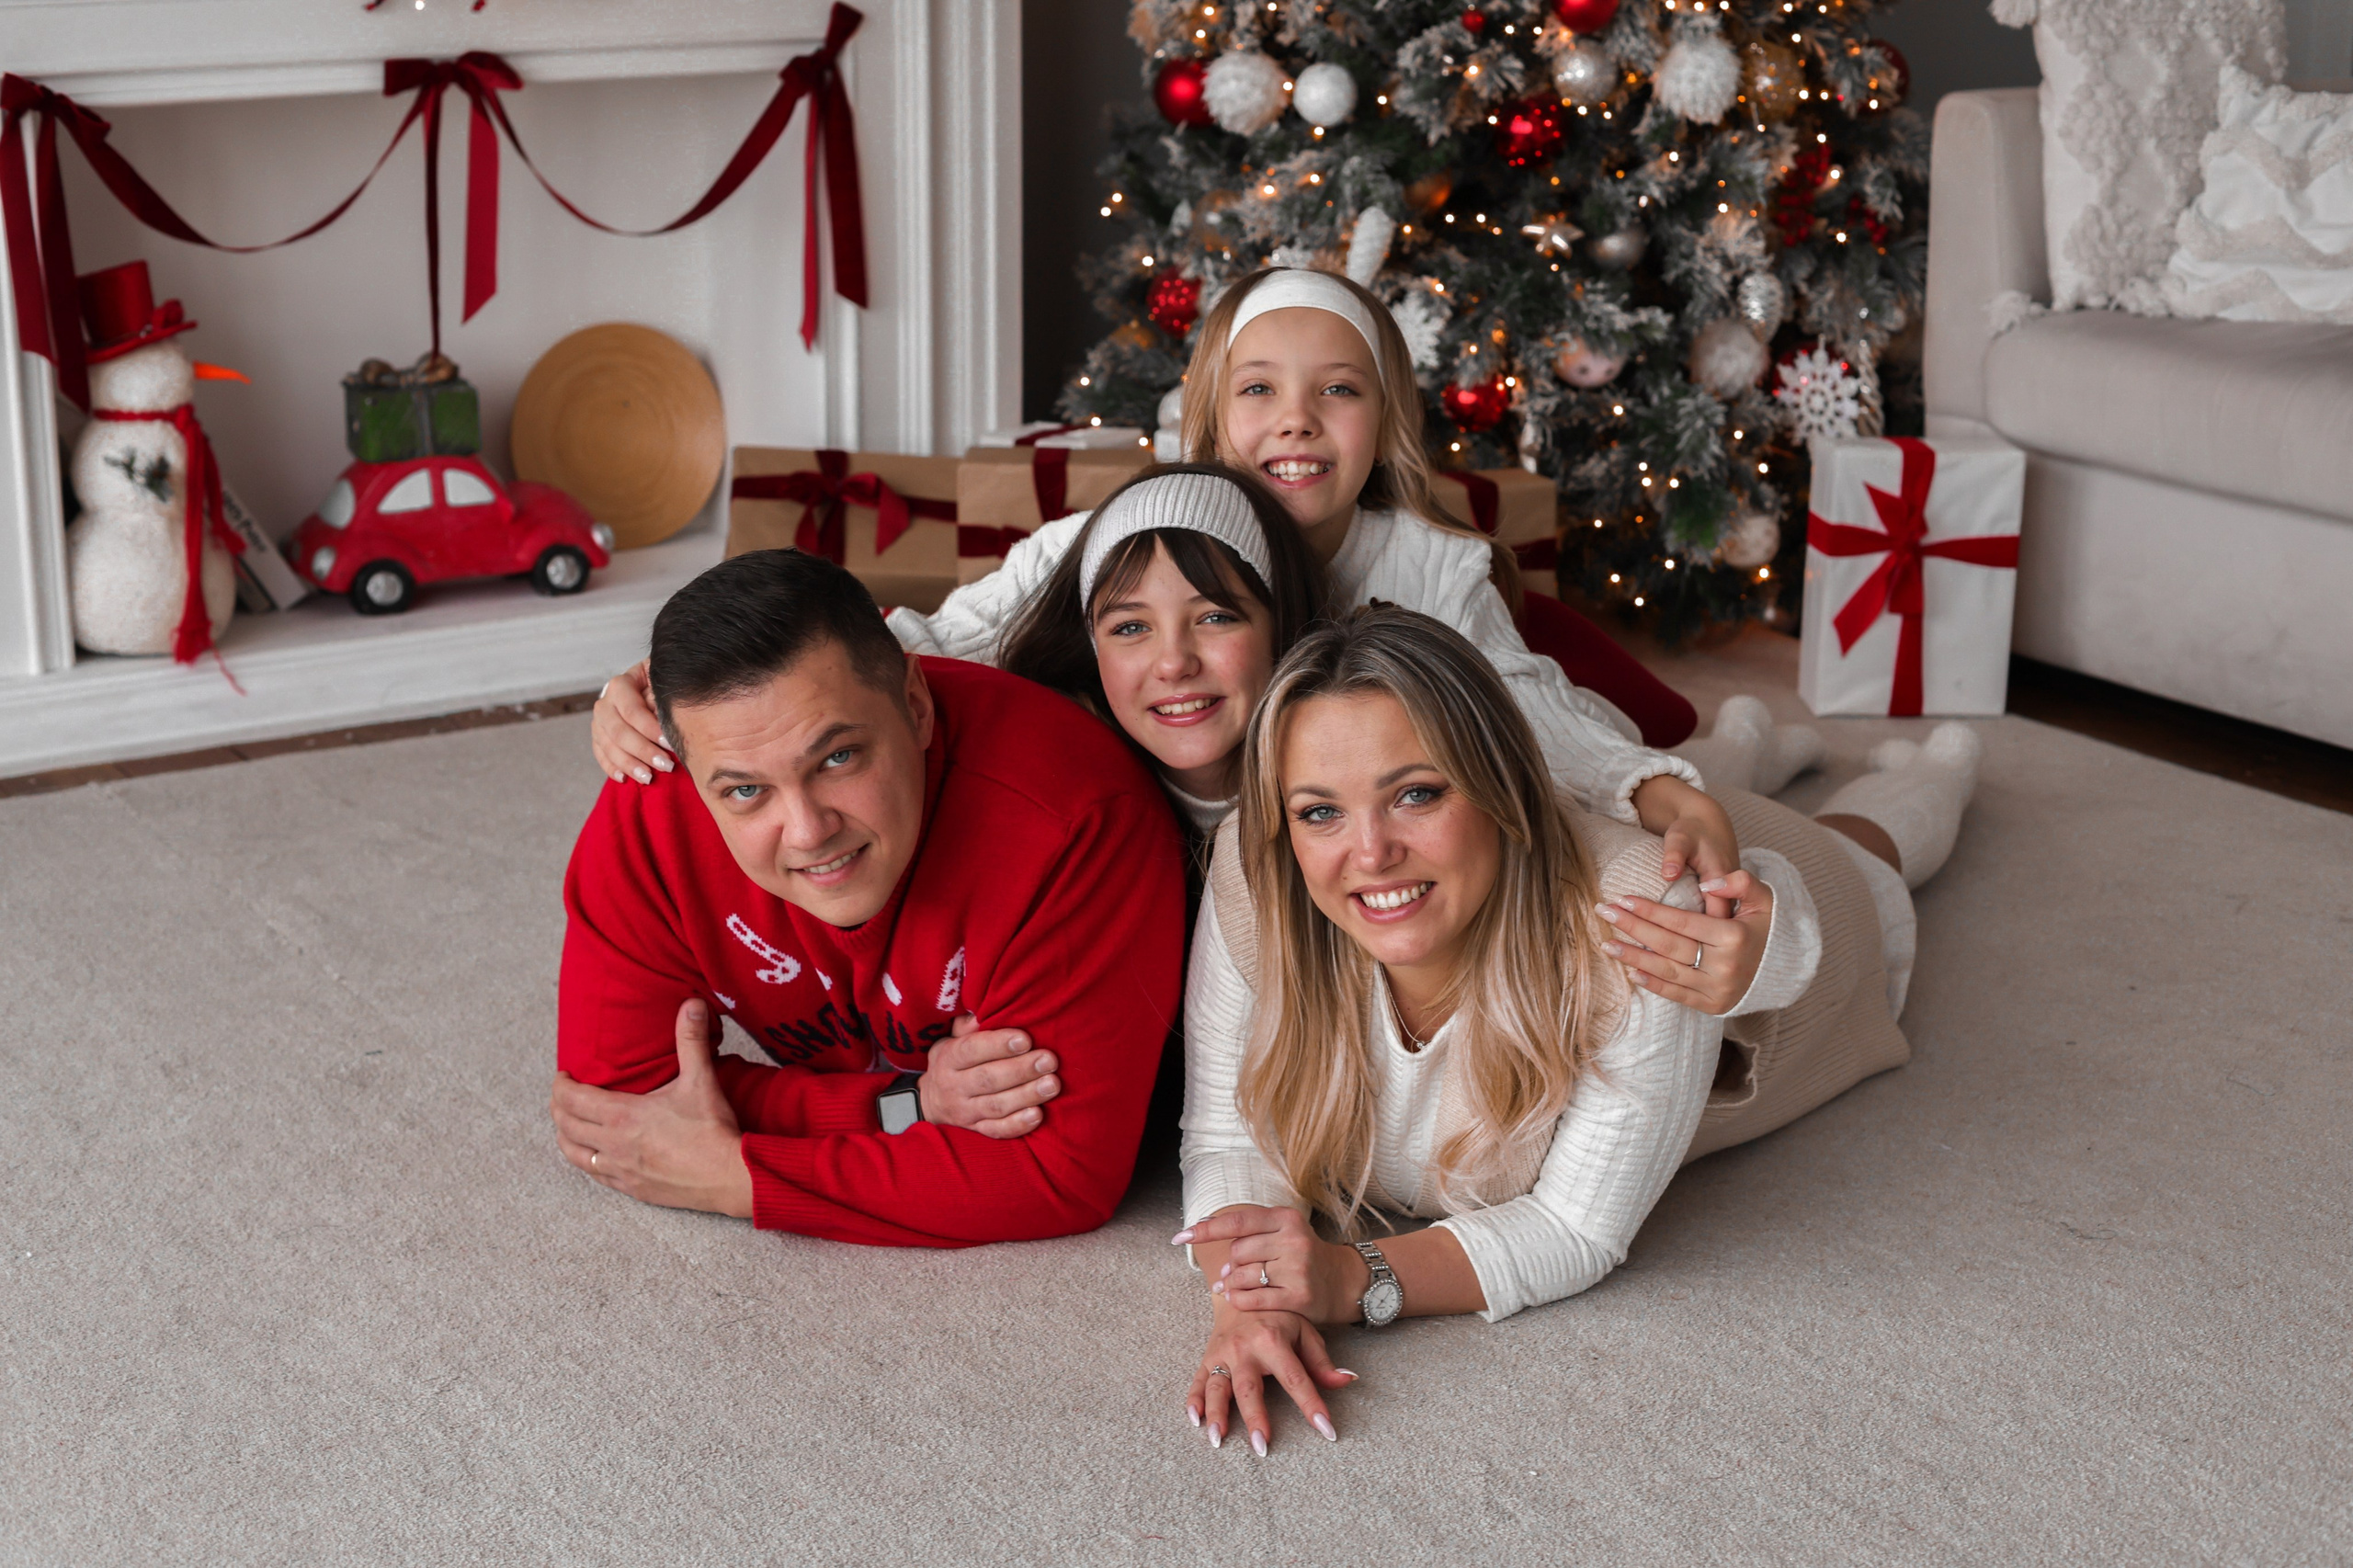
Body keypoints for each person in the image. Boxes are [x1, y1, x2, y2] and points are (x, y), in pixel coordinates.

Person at [595, 267, 1744, 911]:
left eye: (1336, 391)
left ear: (1383, 419)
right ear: (1210, 416)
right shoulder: (1115, 538)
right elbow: (931, 643)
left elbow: (1518, 700)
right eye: (1259, 390)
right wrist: (684, 684)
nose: (1294, 418)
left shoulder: (1424, 565)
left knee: (1656, 789)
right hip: (1221, 822)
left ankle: (1748, 757)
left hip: (1413, 755)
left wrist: (1647, 783)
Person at [1173, 606, 1982, 1455]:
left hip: (1783, 901)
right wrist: (1249, 1293)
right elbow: (1231, 1128)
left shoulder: (1642, 923)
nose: (1370, 854)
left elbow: (1576, 1227)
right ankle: (1750, 743)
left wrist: (1348, 1278)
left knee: (1864, 849)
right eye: (1320, 812)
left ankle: (1944, 772)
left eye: (1417, 793)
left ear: (1497, 790)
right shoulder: (1256, 871)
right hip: (1631, 821)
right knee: (1691, 785)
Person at [549, 549, 1187, 1245]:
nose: (808, 831)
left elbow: (1054, 1172)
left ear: (916, 707)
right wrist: (910, 1103)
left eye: (838, 758)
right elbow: (615, 1109)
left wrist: (737, 1177)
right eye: (744, 791)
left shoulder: (1074, 816)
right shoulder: (653, 797)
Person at [995, 462, 1324, 836]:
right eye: (1131, 627)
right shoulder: (1052, 795)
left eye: (1215, 618)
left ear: (1280, 627)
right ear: (1093, 650)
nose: (1173, 663)